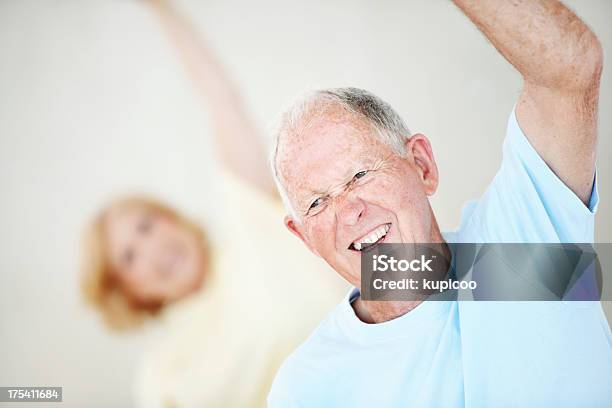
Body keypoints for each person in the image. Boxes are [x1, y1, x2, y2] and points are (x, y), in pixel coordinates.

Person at [268, 0, 611, 406]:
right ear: (304, 237)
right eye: (317, 203)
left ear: (422, 165)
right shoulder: (307, 387)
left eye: (360, 175)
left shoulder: (520, 241)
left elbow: (568, 70)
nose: (349, 212)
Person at [80, 1, 346, 407]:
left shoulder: (251, 217)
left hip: (413, 362)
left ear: (174, 220)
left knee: (469, 264)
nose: (153, 250)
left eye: (147, 225)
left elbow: (223, 102)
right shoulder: (163, 376)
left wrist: (160, 9)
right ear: (126, 292)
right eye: (129, 257)